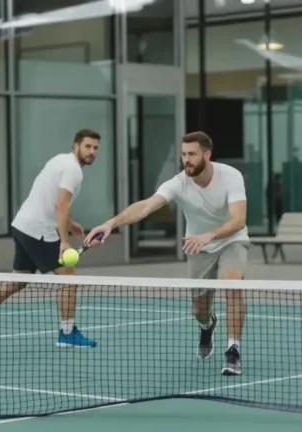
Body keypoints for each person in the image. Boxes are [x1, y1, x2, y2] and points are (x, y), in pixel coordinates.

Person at [84, 131, 249, 376]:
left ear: (207, 154)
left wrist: (210, 234)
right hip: (198, 247)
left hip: (230, 240)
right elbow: (146, 206)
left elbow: (238, 219)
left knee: (233, 286)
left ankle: (232, 349)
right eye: (183, 154)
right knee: (199, 310)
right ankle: (207, 325)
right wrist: (111, 223)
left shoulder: (230, 176)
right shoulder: (178, 183)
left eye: (192, 154)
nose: (187, 159)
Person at [0, 129, 101, 352]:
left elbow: (50, 199)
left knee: (19, 280)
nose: (92, 152)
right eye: (88, 146)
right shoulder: (74, 170)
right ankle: (66, 333)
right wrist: (64, 241)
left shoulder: (59, 160)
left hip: (22, 225)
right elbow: (61, 205)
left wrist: (70, 223)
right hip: (38, 231)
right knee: (69, 276)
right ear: (76, 145)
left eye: (95, 148)